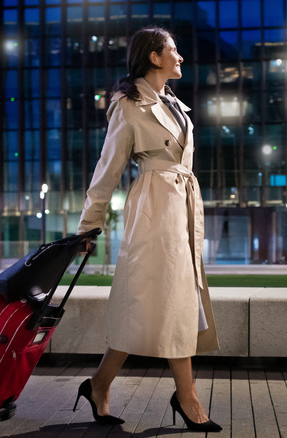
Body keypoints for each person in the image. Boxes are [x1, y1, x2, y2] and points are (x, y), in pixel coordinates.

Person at [74, 27, 221, 432]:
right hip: (154, 210)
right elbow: (108, 169)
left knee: (166, 301)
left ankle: (99, 385)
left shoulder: (173, 103)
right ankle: (186, 397)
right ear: (154, 57)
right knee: (157, 300)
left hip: (182, 208)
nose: (181, 57)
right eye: (173, 51)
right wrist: (89, 226)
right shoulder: (128, 106)